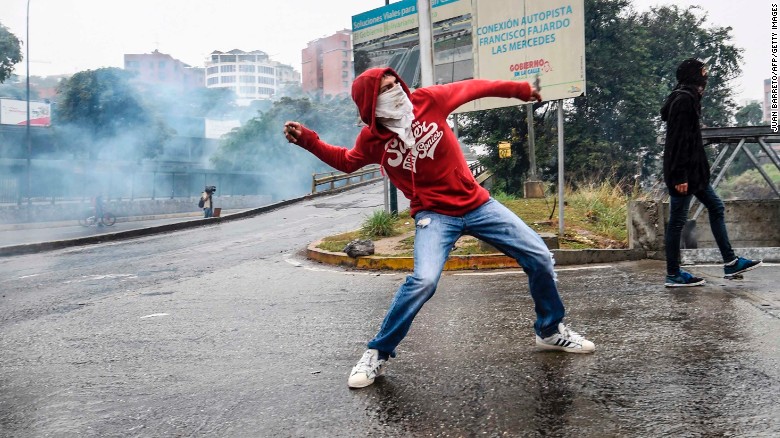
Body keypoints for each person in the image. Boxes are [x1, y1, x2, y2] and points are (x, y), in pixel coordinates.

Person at [283, 67, 595, 389]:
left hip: (477, 205)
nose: (396, 93)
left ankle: (550, 331)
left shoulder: (428, 101)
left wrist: (518, 89)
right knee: (424, 280)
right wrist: (309, 140)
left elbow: (474, 86)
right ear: (369, 105)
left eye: (395, 85)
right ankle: (377, 352)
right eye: (385, 91)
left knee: (540, 256)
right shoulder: (372, 140)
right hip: (434, 216)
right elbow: (347, 161)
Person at [660, 58, 762, 287]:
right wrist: (680, 177)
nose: (706, 76)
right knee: (677, 223)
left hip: (695, 175)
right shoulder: (683, 101)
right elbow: (677, 142)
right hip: (684, 175)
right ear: (694, 76)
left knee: (716, 207)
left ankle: (731, 262)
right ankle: (673, 274)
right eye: (703, 72)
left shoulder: (689, 98)